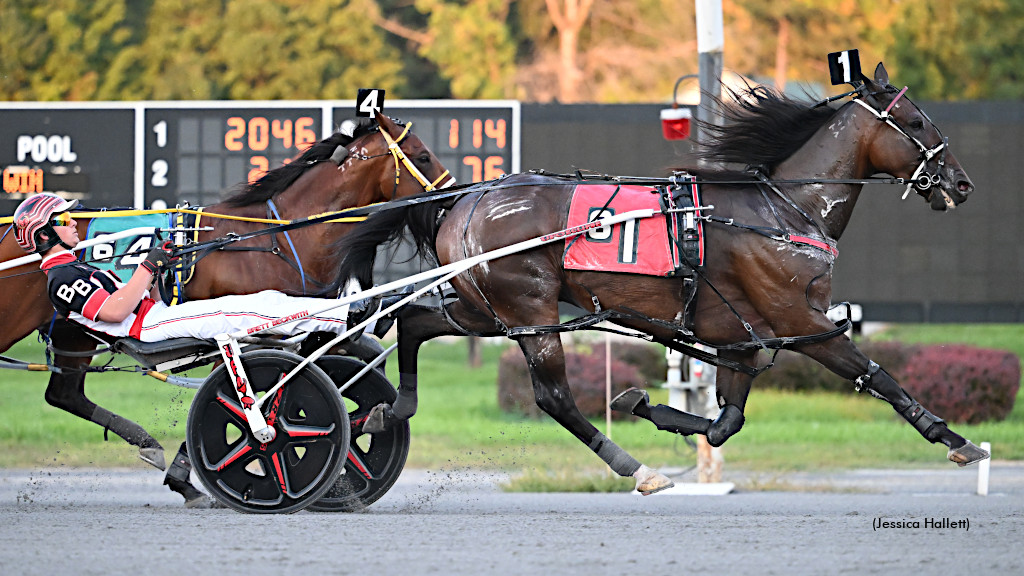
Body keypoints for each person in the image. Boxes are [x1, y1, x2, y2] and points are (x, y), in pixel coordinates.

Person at [14, 192, 375, 345]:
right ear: (44, 234)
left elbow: (134, 297)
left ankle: (344, 315)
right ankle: (347, 317)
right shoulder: (61, 279)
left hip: (155, 315)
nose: (73, 221)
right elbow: (116, 311)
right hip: (147, 328)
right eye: (63, 218)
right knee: (244, 311)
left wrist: (159, 269)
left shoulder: (75, 267)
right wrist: (147, 265)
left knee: (266, 296)